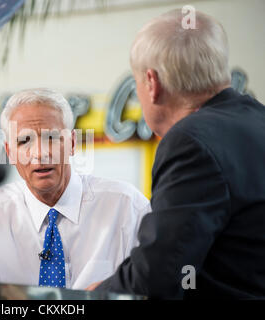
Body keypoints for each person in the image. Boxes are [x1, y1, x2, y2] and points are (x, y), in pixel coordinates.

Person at [89, 9, 265, 299]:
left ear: (152, 83)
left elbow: (159, 275)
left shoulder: (190, 142)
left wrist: (90, 297)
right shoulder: (256, 120)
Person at [0, 88, 150, 289]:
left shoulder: (127, 206)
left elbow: (164, 281)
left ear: (72, 143)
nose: (40, 153)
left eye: (51, 138)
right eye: (24, 141)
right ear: (9, 152)